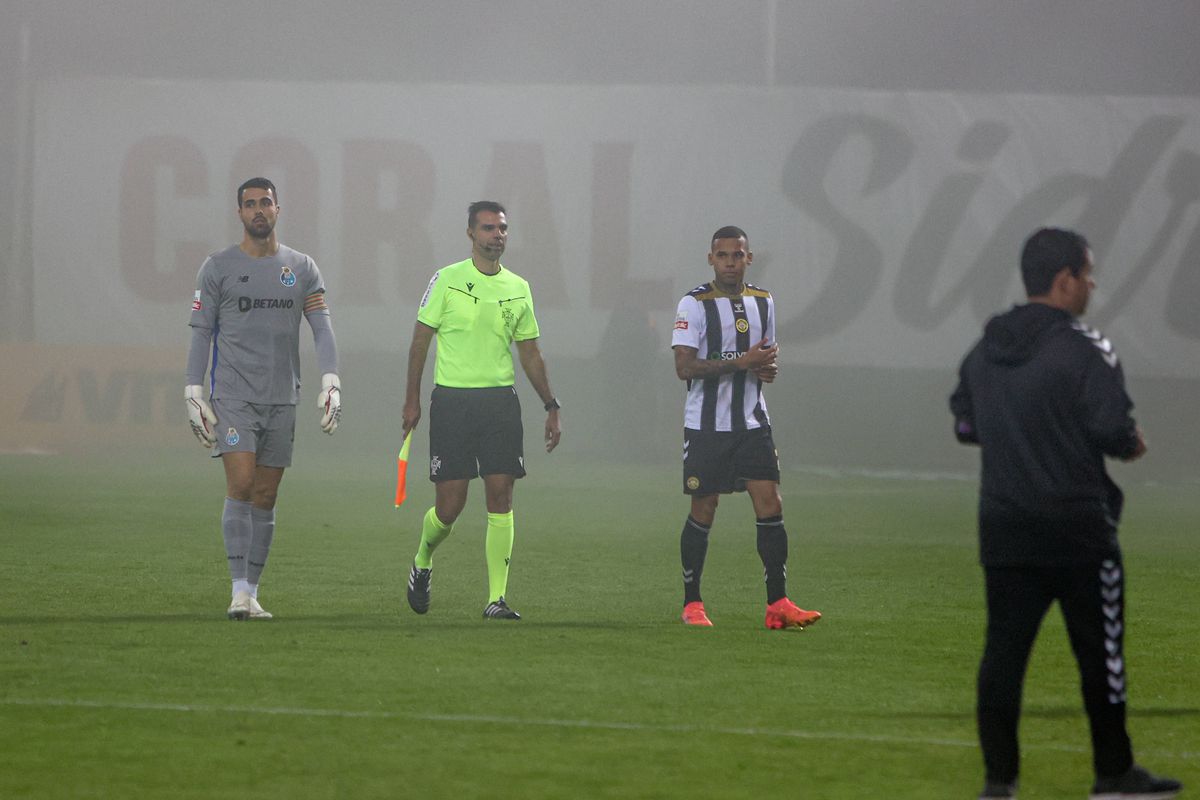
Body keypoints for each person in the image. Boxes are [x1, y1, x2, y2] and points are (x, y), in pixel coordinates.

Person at [950, 228, 1181, 800]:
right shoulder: (1085, 347)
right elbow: (1113, 431)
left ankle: (998, 783)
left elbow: (964, 423)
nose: (1092, 285)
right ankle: (1113, 775)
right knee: (1100, 656)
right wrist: (1134, 442)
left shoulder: (986, 348)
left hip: (1004, 525)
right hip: (1080, 530)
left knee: (1003, 655)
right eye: (1088, 273)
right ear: (1064, 281)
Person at [184, 177, 342, 621]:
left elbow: (322, 327)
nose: (258, 210)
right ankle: (236, 590)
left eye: (265, 203)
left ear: (278, 209)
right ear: (239, 213)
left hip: (281, 396)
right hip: (233, 394)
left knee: (267, 495)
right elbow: (201, 331)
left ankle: (252, 593)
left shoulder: (302, 267)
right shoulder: (217, 268)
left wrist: (330, 379)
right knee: (241, 484)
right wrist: (193, 389)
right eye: (250, 204)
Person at [401, 200, 561, 620]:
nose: (497, 235)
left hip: (499, 404)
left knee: (501, 495)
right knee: (450, 506)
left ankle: (497, 599)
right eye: (488, 228)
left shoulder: (518, 287)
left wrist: (550, 404)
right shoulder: (447, 280)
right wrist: (412, 398)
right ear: (471, 233)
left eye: (502, 228)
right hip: (452, 402)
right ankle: (422, 558)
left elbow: (530, 353)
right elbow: (420, 342)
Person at [670, 225, 821, 630]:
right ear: (711, 259)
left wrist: (767, 367)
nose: (730, 263)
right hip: (706, 426)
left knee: (770, 503)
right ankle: (692, 603)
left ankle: (779, 604)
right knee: (705, 507)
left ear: (748, 259)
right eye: (723, 256)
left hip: (753, 421)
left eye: (737, 255)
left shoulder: (764, 301)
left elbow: (766, 357)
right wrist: (740, 362)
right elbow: (683, 366)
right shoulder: (694, 304)